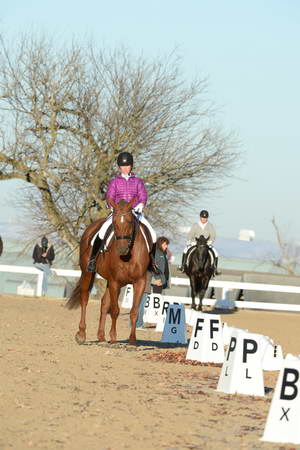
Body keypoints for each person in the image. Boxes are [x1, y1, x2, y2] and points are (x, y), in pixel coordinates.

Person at [87, 151, 158, 273]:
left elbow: (142, 195)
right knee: (102, 231)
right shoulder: (114, 182)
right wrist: (112, 207)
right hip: (118, 213)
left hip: (134, 212)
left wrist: (141, 204)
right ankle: (93, 259)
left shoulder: (137, 181)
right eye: (123, 166)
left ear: (131, 166)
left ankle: (151, 262)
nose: (125, 168)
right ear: (119, 167)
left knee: (153, 234)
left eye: (127, 166)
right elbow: (110, 196)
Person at [178, 210, 221, 275]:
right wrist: (189, 241)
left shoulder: (210, 226)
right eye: (203, 218)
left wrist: (210, 242)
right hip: (195, 243)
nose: (204, 219)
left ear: (207, 218)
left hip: (206, 244)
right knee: (185, 250)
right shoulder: (195, 225)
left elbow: (213, 235)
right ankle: (183, 266)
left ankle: (215, 269)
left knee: (216, 253)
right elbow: (190, 234)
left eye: (205, 218)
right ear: (200, 217)